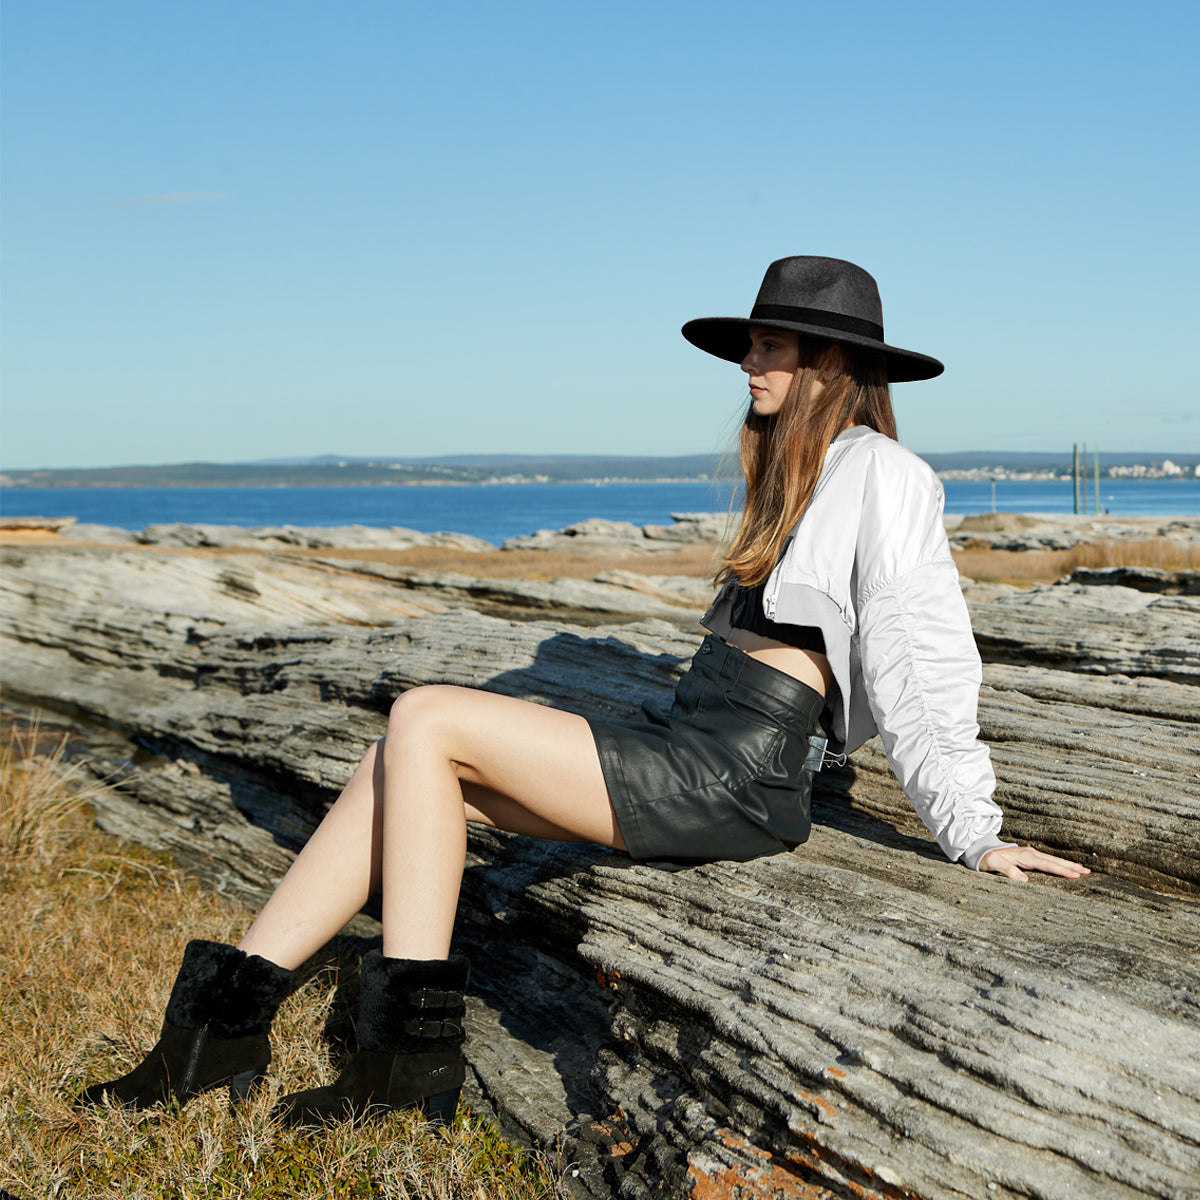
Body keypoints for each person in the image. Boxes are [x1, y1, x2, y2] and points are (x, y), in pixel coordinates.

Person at [80, 255, 1088, 1127]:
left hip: (738, 775)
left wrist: (975, 828)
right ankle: (210, 1043)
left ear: (833, 364)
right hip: (693, 738)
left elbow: (923, 655)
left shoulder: (885, 473)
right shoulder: (797, 471)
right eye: (753, 344)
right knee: (398, 760)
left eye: (773, 347)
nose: (751, 362)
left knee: (425, 714)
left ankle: (404, 1065)